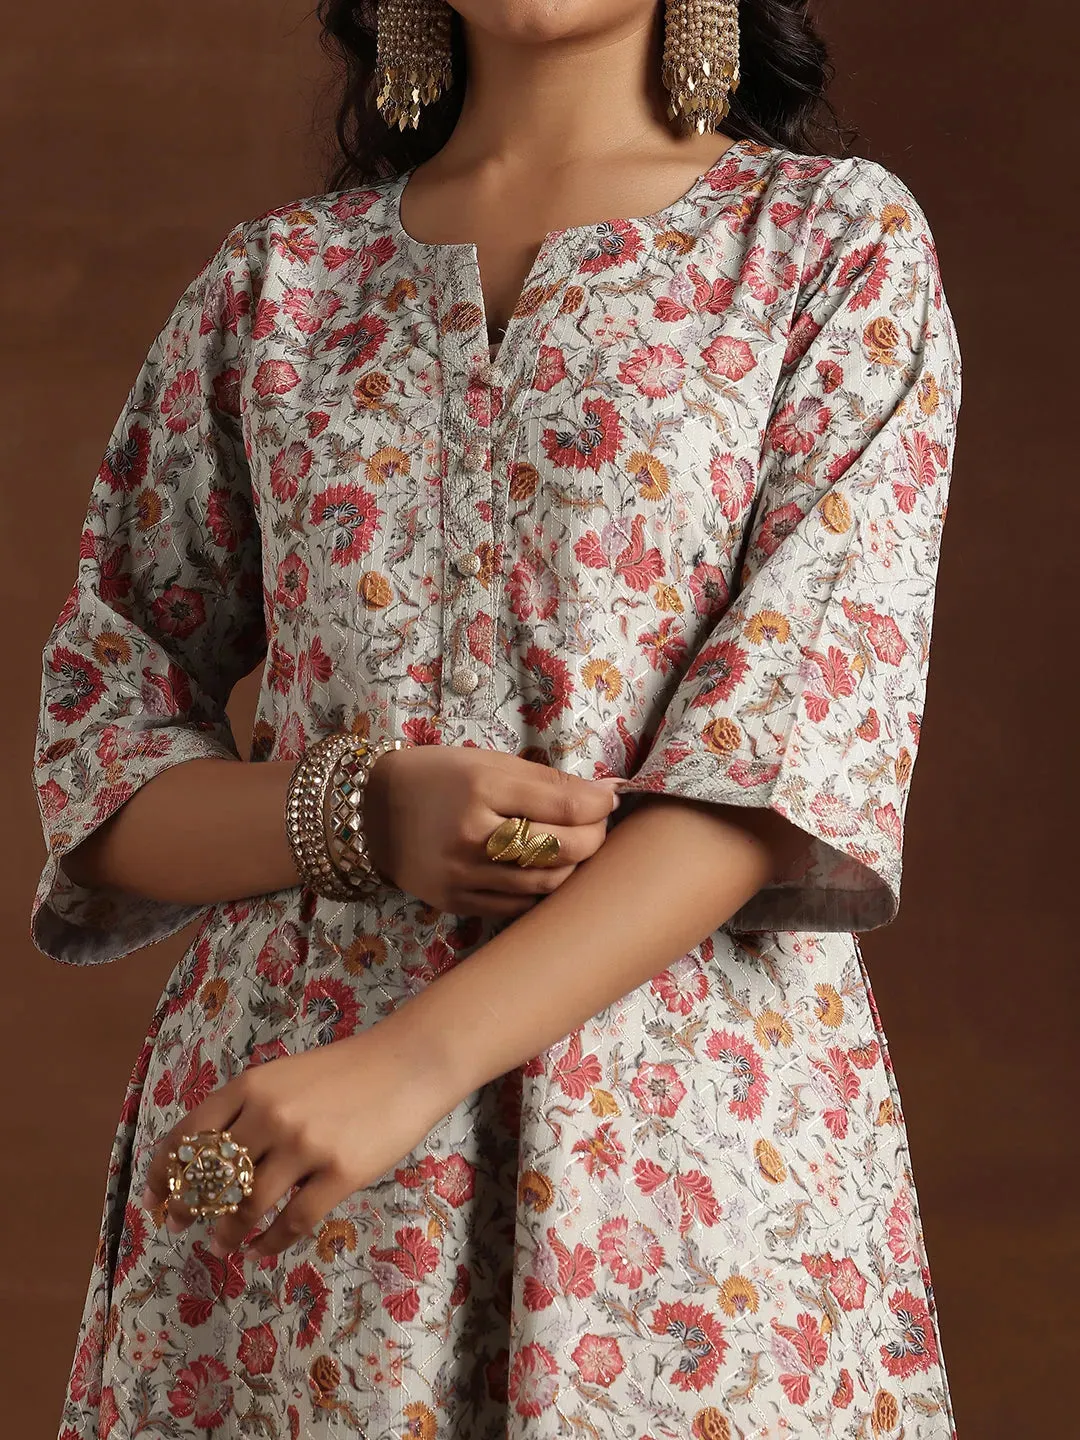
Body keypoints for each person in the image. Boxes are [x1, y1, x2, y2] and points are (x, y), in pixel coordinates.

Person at [32, 1, 963, 1436]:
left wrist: (409, 1064)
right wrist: (358, 814)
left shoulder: (826, 248)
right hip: (295, 1196)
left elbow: (785, 752)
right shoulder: (277, 285)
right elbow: (100, 752)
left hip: (684, 1180)